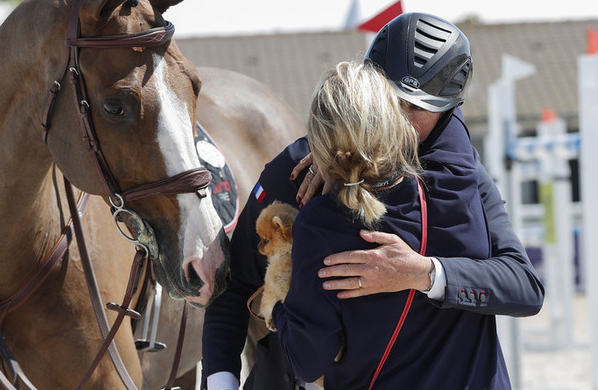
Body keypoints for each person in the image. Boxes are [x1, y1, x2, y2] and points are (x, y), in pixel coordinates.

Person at [202, 12, 544, 390]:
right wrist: (221, 382)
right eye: (392, 103)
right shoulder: (299, 170)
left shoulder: (468, 176)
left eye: (419, 108)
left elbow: (524, 285)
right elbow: (233, 287)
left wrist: (425, 273)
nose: (402, 122)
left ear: (447, 108)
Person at [274, 59, 498, 388]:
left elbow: (308, 362)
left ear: (319, 139)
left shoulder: (320, 223)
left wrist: (278, 307)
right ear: (394, 122)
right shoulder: (448, 191)